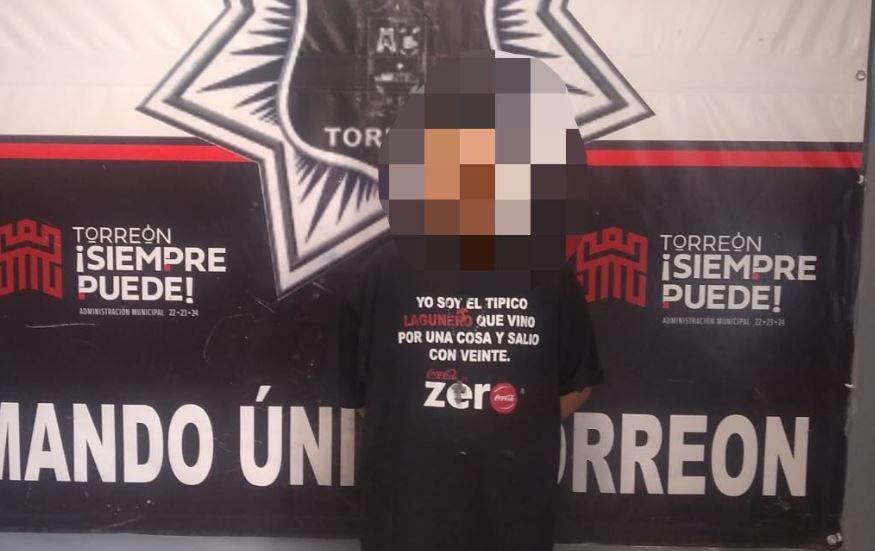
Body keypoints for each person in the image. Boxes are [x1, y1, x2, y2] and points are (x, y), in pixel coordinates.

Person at [332, 50, 603, 551]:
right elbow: (365, 398)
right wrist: (442, 428)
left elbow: (578, 383)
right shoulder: (381, 273)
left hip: (511, 518)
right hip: (406, 521)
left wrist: (506, 422)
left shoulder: (548, 271)